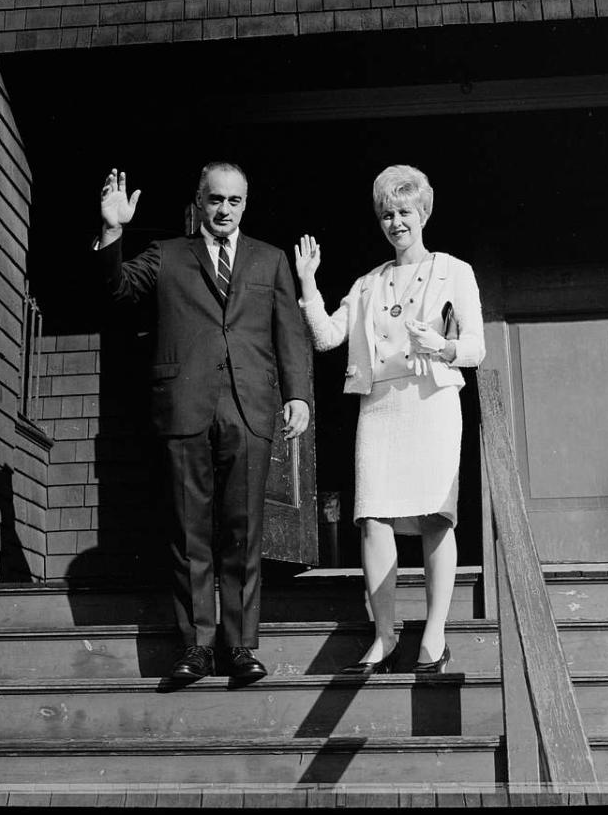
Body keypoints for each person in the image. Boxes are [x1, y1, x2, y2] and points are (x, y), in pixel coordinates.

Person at [97, 163, 311, 681]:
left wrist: (299, 393)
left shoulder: (271, 259)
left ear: (245, 204)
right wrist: (112, 231)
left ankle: (239, 648)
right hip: (185, 404)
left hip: (249, 406)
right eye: (215, 200)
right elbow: (118, 290)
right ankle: (196, 646)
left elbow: (290, 331)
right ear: (199, 201)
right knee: (189, 530)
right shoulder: (169, 255)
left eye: (234, 201)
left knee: (243, 530)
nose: (224, 210)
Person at [294, 164, 484, 675]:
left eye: (404, 211)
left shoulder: (455, 271)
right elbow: (327, 337)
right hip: (380, 407)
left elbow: (475, 349)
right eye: (387, 213)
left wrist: (442, 346)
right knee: (372, 515)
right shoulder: (368, 283)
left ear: (423, 213)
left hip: (431, 403)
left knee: (435, 515)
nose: (396, 221)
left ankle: (435, 634)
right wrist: (309, 286)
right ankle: (384, 634)